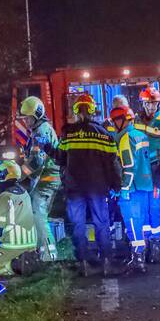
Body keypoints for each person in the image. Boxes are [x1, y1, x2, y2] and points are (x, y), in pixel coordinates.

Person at [45, 93, 120, 277]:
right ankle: (106, 262)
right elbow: (112, 163)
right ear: (93, 110)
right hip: (98, 187)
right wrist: (115, 185)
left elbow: (60, 158)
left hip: (75, 188)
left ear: (77, 111)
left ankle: (84, 263)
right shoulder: (105, 134)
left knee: (78, 225)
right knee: (101, 223)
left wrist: (47, 148)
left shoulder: (68, 133)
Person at [109, 106, 158, 273]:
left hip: (132, 189)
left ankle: (138, 259)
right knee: (142, 222)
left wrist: (124, 188)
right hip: (144, 185)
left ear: (121, 120)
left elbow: (128, 167)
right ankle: (142, 256)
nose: (113, 125)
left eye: (114, 120)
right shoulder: (140, 134)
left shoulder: (125, 139)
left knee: (132, 223)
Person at [133, 87, 160, 262]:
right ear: (142, 103)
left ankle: (157, 244)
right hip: (140, 171)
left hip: (157, 169)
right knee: (142, 210)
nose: (151, 107)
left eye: (154, 103)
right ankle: (146, 245)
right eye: (148, 103)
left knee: (154, 209)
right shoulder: (135, 119)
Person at [18, 96, 61, 262]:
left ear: (37, 115)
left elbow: (37, 160)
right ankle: (40, 251)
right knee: (37, 213)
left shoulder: (42, 131)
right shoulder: (38, 130)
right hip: (44, 179)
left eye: (28, 118)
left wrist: (19, 176)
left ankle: (49, 255)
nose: (26, 121)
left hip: (48, 179)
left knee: (38, 212)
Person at [0, 161, 37, 277]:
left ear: (4, 175)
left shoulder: (2, 197)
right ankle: (26, 262)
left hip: (12, 246)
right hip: (31, 245)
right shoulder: (25, 194)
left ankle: (13, 266)